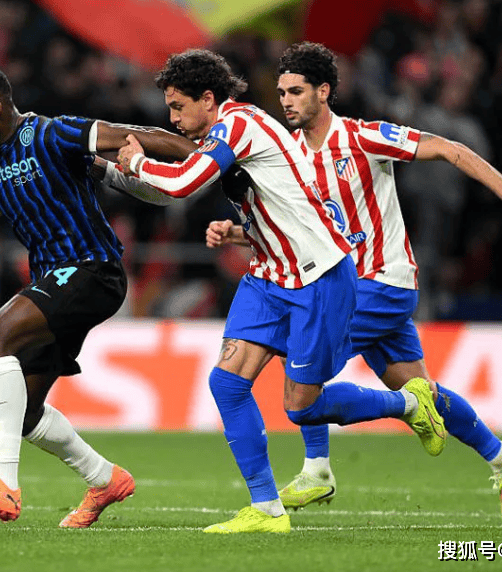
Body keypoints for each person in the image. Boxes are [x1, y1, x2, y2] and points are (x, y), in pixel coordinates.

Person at [205, 42, 502, 524]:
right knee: (421, 391)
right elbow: (294, 230)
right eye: (282, 92)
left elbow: (450, 149)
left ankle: (316, 469)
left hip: (381, 281)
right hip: (345, 285)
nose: (286, 101)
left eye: (296, 91)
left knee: (297, 358)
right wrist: (238, 233)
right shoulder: (287, 155)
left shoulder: (362, 137)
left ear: (323, 91)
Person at [116, 49, 447, 534]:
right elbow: (200, 193)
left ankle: (409, 404)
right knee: (227, 383)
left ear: (207, 99)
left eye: (178, 107)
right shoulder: (222, 134)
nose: (173, 119)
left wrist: (136, 162)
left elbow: (184, 183)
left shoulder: (240, 124)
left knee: (301, 406)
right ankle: (267, 509)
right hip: (270, 274)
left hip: (318, 276)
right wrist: (113, 170)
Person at [0, 62, 196, 528]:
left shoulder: (52, 134)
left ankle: (3, 483)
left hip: (92, 269)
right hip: (55, 277)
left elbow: (133, 135)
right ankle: (104, 479)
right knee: (24, 413)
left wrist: (208, 158)